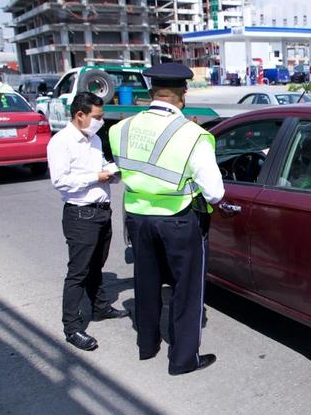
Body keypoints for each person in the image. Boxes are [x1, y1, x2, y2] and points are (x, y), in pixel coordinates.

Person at [109, 63, 224, 375]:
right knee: (186, 291)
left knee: (145, 284)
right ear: (182, 95)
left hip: (137, 217)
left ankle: (147, 346)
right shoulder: (193, 135)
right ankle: (183, 359)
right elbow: (214, 192)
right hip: (178, 219)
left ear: (150, 93)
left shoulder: (121, 129)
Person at [47, 92, 128, 351]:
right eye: (97, 117)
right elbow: (60, 180)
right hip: (81, 214)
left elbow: (102, 165)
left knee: (97, 265)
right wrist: (97, 176)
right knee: (78, 272)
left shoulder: (93, 139)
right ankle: (72, 328)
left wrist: (112, 173)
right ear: (80, 115)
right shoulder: (61, 142)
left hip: (102, 211)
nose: (100, 122)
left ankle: (100, 307)